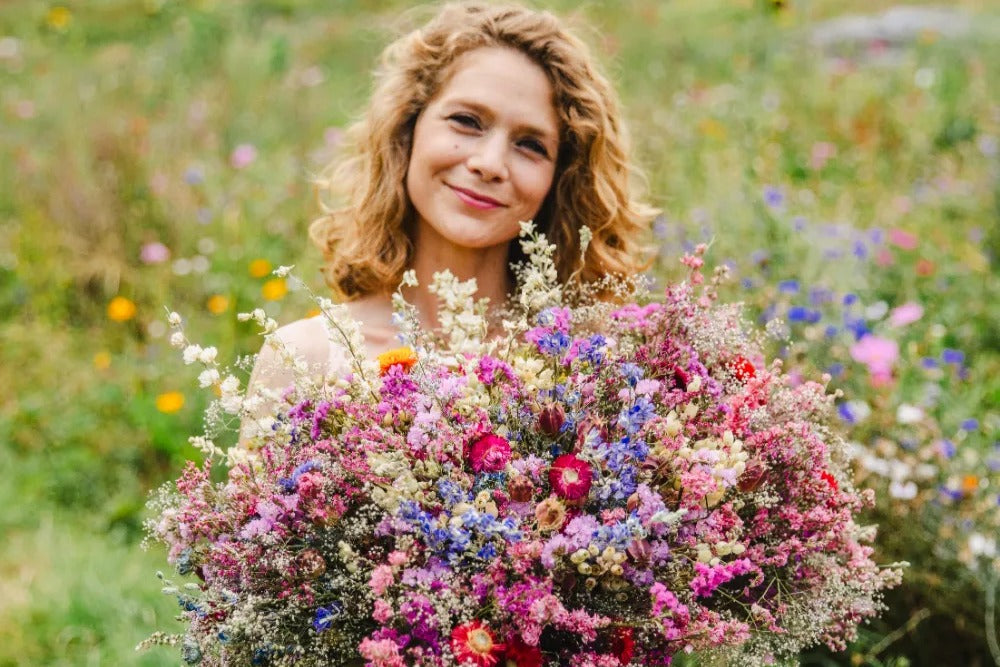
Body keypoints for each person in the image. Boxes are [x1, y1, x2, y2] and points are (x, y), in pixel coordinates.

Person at [247, 0, 656, 405]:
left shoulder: (595, 369)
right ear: (407, 127)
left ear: (560, 179)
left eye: (530, 145)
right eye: (467, 121)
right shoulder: (303, 360)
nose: (490, 164)